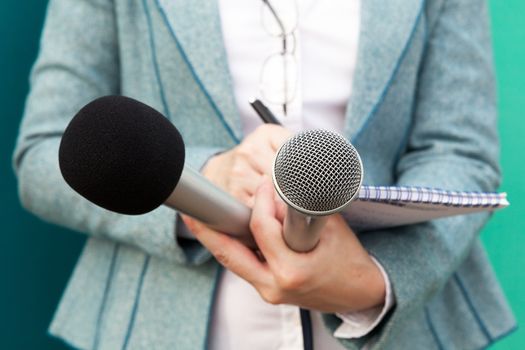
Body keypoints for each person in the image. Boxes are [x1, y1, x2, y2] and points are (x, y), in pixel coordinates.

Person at [13, 0, 516, 349]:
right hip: (157, 325)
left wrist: (374, 284)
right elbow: (45, 154)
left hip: (400, 330)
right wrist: (208, 176)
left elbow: (460, 152)